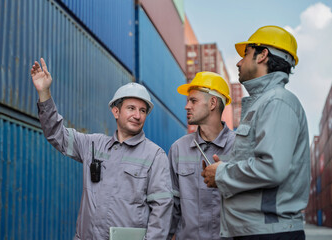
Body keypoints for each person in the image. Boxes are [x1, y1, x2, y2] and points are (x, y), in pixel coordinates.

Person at [30, 58, 173, 239]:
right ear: (116, 111)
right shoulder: (93, 145)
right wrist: (44, 93)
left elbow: (162, 209)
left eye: (143, 110)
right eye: (131, 108)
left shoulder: (154, 156)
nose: (137, 115)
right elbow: (56, 134)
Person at [201, 25, 310, 239]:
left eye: (245, 54)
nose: (239, 62)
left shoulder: (277, 101)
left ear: (262, 55)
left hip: (268, 232)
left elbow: (271, 168)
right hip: (257, 231)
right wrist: (223, 166)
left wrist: (222, 173)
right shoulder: (265, 103)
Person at [168, 72, 235, 240]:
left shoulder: (239, 147)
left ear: (212, 103)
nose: (187, 106)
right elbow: (171, 206)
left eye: (193, 100)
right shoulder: (178, 149)